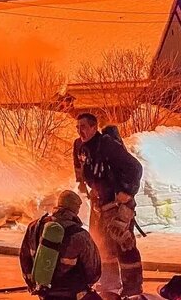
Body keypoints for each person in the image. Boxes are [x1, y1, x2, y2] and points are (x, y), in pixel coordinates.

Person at [73, 113, 144, 299]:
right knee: (102, 246)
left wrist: (127, 191)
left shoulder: (107, 145)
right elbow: (83, 171)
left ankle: (133, 289)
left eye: (84, 126)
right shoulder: (80, 147)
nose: (80, 130)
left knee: (124, 244)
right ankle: (110, 285)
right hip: (100, 207)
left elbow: (135, 168)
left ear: (94, 127)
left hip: (118, 205)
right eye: (78, 127)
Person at [20, 190, 102, 300]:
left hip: (44, 292)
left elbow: (24, 258)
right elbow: (93, 272)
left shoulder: (34, 227)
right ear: (75, 209)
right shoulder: (80, 235)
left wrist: (34, 284)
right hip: (73, 294)